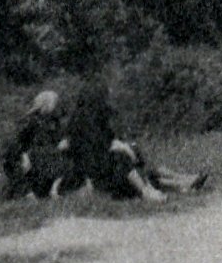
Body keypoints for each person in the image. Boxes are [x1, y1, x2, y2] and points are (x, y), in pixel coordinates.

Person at [62, 81, 208, 202]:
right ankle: (149, 191)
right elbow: (100, 146)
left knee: (136, 158)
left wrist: (125, 147)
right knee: (123, 158)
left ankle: (183, 181)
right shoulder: (84, 121)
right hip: (97, 172)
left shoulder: (88, 119)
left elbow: (107, 141)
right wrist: (124, 148)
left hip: (104, 166)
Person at [2, 90, 75, 199]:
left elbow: (58, 139)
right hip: (32, 157)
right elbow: (16, 142)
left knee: (67, 159)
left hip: (47, 157)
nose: (55, 106)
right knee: (21, 163)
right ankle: (27, 192)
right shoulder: (31, 121)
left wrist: (63, 142)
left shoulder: (54, 122)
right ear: (45, 104)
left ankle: (53, 190)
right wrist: (23, 155)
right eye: (53, 103)